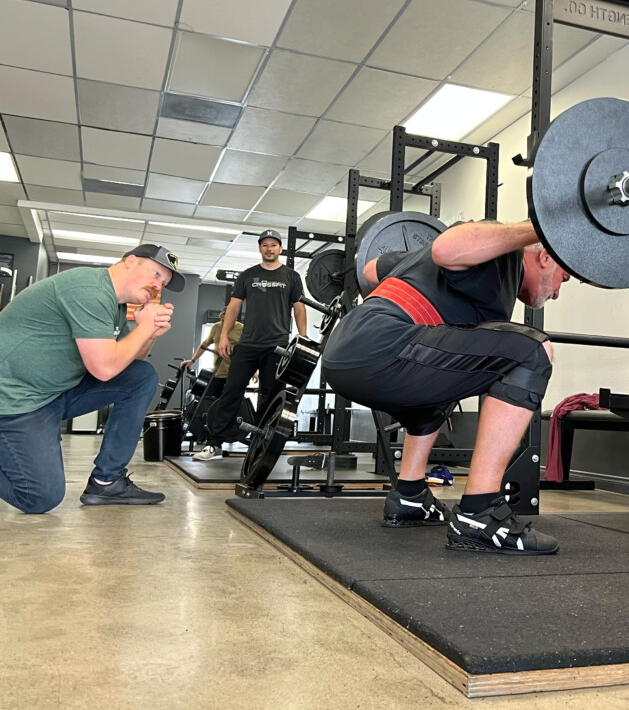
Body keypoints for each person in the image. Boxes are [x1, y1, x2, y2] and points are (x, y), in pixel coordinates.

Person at [322, 219, 570, 556]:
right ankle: (479, 514)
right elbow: (445, 249)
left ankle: (409, 496)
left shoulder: (424, 259)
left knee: (449, 374)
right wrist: (542, 228)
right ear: (544, 257)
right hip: (381, 349)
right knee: (532, 351)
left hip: (343, 351)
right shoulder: (502, 252)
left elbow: (369, 270)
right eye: (563, 276)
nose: (558, 290)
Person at [0, 244, 184, 513]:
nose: (158, 287)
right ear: (131, 261)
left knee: (141, 377)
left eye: (164, 283)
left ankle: (106, 481)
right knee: (40, 498)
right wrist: (143, 327)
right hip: (15, 400)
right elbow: (105, 369)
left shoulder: (115, 305)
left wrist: (150, 332)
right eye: (156, 274)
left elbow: (129, 362)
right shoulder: (89, 290)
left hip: (53, 394)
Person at [194, 229, 306, 460]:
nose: (269, 248)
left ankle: (263, 444)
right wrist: (223, 335)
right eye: (265, 244)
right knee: (231, 390)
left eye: (273, 245)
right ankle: (214, 443)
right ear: (260, 248)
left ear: (280, 249)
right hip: (247, 344)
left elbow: (298, 307)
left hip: (277, 344)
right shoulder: (247, 275)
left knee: (272, 394)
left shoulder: (291, 277)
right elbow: (234, 307)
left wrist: (302, 338)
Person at [180, 308, 244, 439]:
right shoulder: (216, 327)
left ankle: (227, 433)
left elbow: (247, 351)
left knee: (230, 404)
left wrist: (252, 371)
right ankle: (209, 434)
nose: (224, 322)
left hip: (234, 374)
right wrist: (192, 360)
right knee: (209, 404)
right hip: (218, 373)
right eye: (222, 319)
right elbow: (205, 344)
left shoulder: (242, 328)